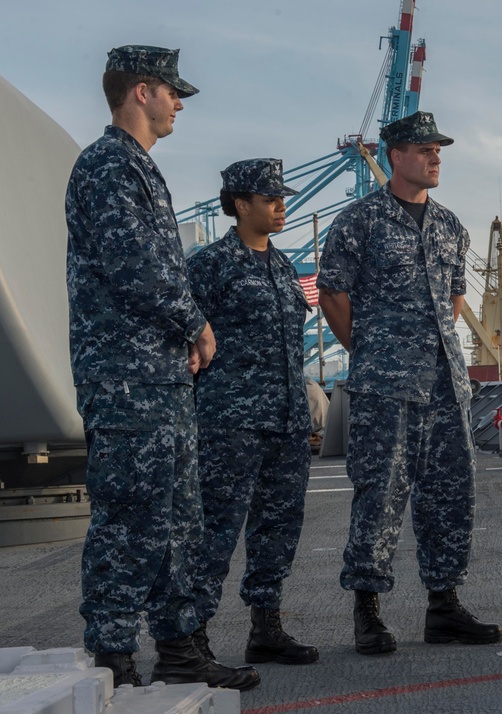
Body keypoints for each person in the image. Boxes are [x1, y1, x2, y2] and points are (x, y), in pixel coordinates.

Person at [65, 45, 257, 691]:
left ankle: (181, 653)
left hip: (159, 377)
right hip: (125, 378)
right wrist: (197, 323)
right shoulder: (109, 166)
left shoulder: (137, 168)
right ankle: (113, 657)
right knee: (127, 517)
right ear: (142, 91)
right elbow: (135, 266)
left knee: (177, 520)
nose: (179, 104)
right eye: (173, 92)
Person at [317, 111, 502, 655]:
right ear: (395, 155)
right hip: (387, 386)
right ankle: (368, 611)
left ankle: (443, 605)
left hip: (446, 384)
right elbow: (333, 294)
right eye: (425, 149)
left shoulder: (449, 224)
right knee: (381, 493)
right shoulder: (360, 220)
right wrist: (372, 351)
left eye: (438, 149)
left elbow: (455, 296)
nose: (436, 156)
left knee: (451, 495)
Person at [186, 159, 318, 667]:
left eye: (281, 197)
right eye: (270, 198)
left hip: (285, 422)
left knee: (279, 527)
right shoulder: (210, 265)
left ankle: (266, 628)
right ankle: (193, 637)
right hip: (230, 421)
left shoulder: (284, 267)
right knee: (216, 530)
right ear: (241, 205)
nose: (281, 206)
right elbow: (186, 345)